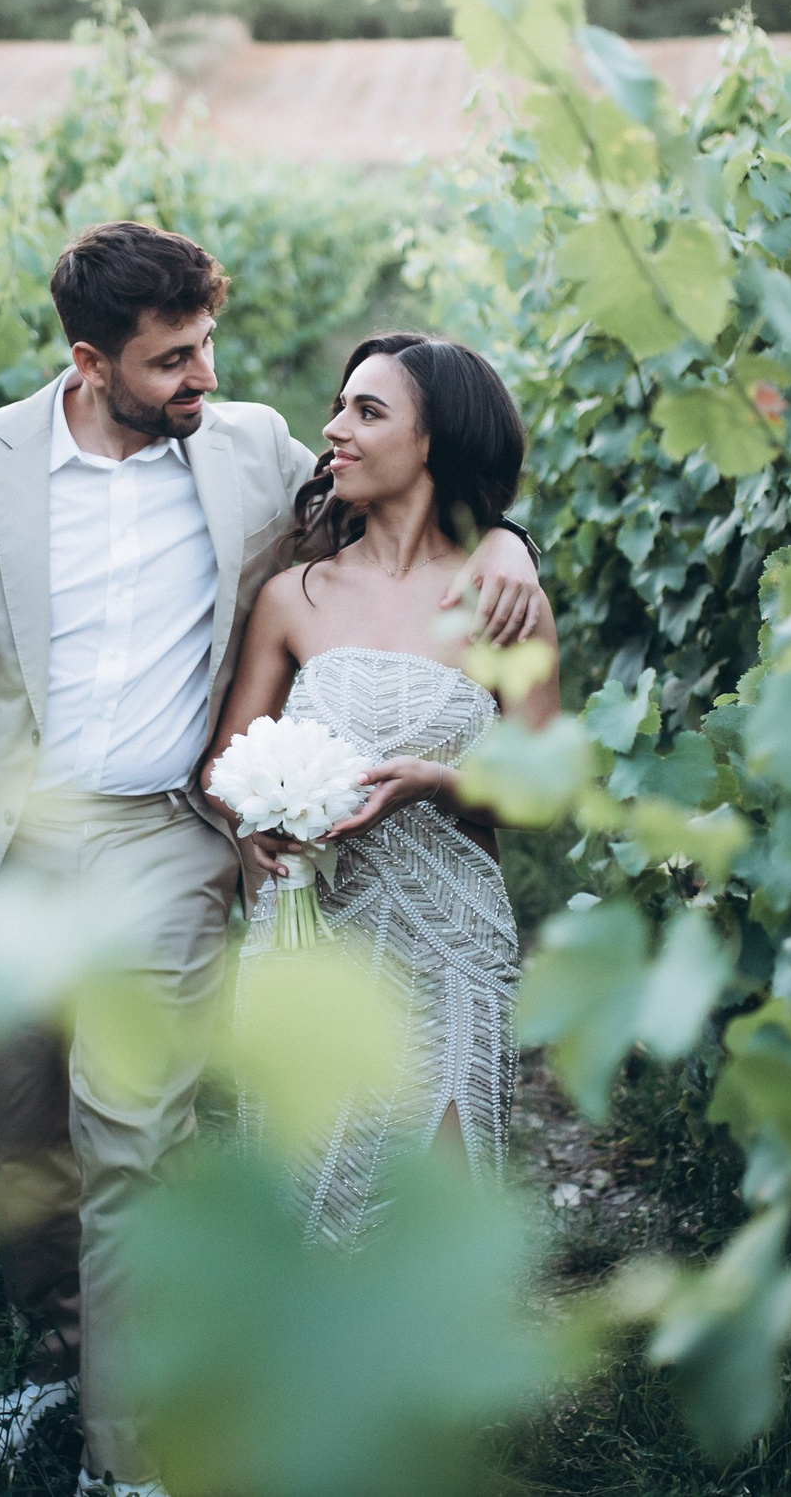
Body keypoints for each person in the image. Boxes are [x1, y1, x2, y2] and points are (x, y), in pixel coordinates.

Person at [0, 225, 545, 1497]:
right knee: (25, 1133)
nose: (205, 377)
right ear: (90, 359)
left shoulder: (244, 447)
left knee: (129, 1136)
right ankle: (61, 1358)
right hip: (9, 842)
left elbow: (410, 500)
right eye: (174, 359)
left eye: (207, 346)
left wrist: (505, 549)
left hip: (166, 841)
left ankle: (127, 1466)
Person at [202, 333, 559, 1245]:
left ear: (434, 439)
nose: (335, 431)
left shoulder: (502, 598)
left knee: (436, 1217)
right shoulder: (295, 596)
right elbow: (225, 768)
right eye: (340, 407)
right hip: (315, 936)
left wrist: (440, 782)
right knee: (309, 1207)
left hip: (453, 940)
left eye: (368, 412)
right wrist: (261, 819)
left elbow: (542, 791)